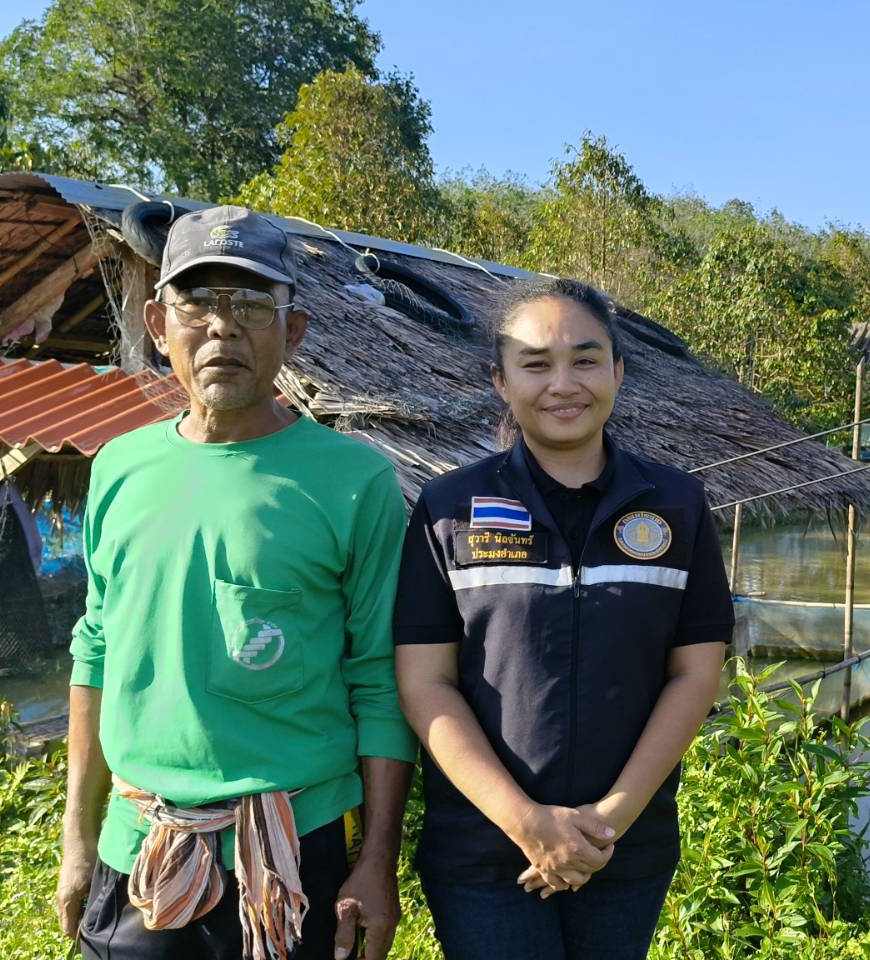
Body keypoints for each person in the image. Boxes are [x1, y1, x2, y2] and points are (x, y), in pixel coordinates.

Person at [55, 205, 417, 960]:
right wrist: (78, 839)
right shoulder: (119, 469)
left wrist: (377, 861)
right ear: (159, 326)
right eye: (197, 304)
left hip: (295, 855)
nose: (223, 328)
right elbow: (95, 652)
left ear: (294, 332)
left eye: (253, 305)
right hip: (137, 847)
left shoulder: (354, 483)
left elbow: (381, 680)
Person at [394, 278, 732, 960]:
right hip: (485, 852)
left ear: (618, 371)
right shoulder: (449, 509)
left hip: (624, 849)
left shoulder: (677, 504)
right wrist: (526, 822)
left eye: (585, 359)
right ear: (501, 380)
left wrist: (609, 820)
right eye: (535, 364)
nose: (563, 384)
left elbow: (696, 674)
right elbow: (425, 682)